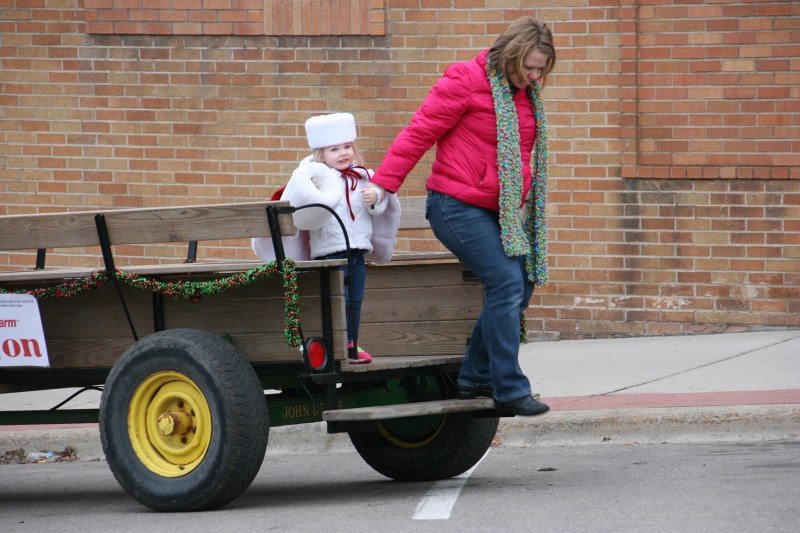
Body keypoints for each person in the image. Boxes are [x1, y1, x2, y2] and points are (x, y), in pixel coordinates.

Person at [366, 17, 555, 414]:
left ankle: (474, 376)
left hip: (497, 211)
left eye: (541, 69)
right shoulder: (465, 79)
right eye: (530, 67)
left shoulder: (524, 94)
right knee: (505, 280)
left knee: (523, 281)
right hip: (454, 205)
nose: (535, 76)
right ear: (512, 55)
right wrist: (384, 183)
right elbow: (420, 131)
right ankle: (508, 388)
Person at [255, 112, 399, 364]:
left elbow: (380, 204)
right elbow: (302, 206)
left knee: (355, 299)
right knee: (334, 299)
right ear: (321, 154)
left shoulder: (363, 176)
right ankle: (331, 344)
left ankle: (351, 342)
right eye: (335, 149)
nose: (343, 153)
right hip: (330, 252)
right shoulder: (313, 178)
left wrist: (376, 197)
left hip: (357, 250)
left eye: (347, 147)